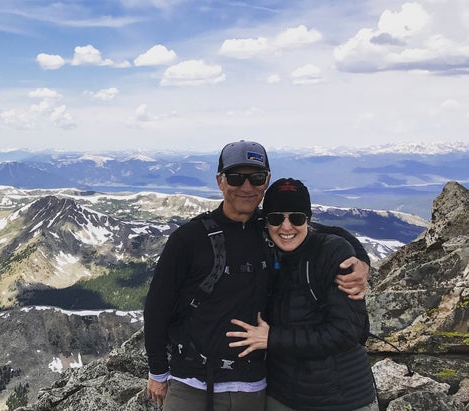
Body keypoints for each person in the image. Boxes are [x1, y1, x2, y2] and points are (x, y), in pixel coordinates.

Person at [144, 141, 370, 411]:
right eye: (236, 177)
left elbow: (326, 233)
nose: (247, 187)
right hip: (190, 381)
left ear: (266, 182)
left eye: (256, 178)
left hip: (250, 385)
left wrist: (361, 260)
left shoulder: (271, 224)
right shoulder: (189, 238)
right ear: (220, 181)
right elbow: (157, 307)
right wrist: (158, 372)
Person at [227, 178, 378, 411]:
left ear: (308, 219)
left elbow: (346, 333)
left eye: (296, 218)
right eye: (276, 218)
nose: (286, 227)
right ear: (266, 221)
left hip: (340, 398)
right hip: (283, 395)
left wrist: (271, 339)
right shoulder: (266, 248)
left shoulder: (332, 253)